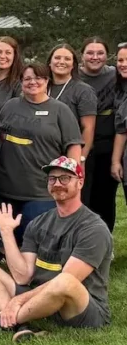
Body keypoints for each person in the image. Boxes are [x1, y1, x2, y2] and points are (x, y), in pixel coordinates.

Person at [0, 157, 112, 340]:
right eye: (52, 179)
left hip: (79, 309)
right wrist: (6, 232)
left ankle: (3, 321)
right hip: (41, 301)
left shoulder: (93, 228)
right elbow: (23, 276)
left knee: (65, 281)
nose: (57, 183)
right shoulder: (39, 223)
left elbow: (69, 281)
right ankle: (20, 323)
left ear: (80, 183)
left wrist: (18, 300)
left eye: (65, 178)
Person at [0, 63, 82, 246]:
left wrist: (71, 177)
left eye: (38, 78)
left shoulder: (60, 110)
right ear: (21, 82)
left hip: (41, 190)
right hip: (7, 188)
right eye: (27, 78)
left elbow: (74, 145)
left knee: (35, 243)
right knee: (9, 242)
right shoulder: (10, 106)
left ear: (47, 80)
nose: (33, 82)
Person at [78, 37, 118, 232]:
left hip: (106, 145)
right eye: (90, 53)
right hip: (78, 144)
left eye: (100, 53)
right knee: (80, 195)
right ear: (82, 55)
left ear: (107, 56)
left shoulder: (115, 74)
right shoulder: (73, 76)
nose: (95, 57)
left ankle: (104, 239)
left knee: (105, 197)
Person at [47, 44, 96, 173]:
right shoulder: (41, 87)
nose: (61, 62)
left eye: (67, 59)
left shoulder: (84, 91)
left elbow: (88, 128)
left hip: (70, 157)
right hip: (44, 154)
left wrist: (80, 159)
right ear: (49, 63)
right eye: (57, 58)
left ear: (73, 65)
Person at [111, 43, 127, 201]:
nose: (123, 64)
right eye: (121, 60)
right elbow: (121, 130)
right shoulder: (120, 91)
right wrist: (116, 161)